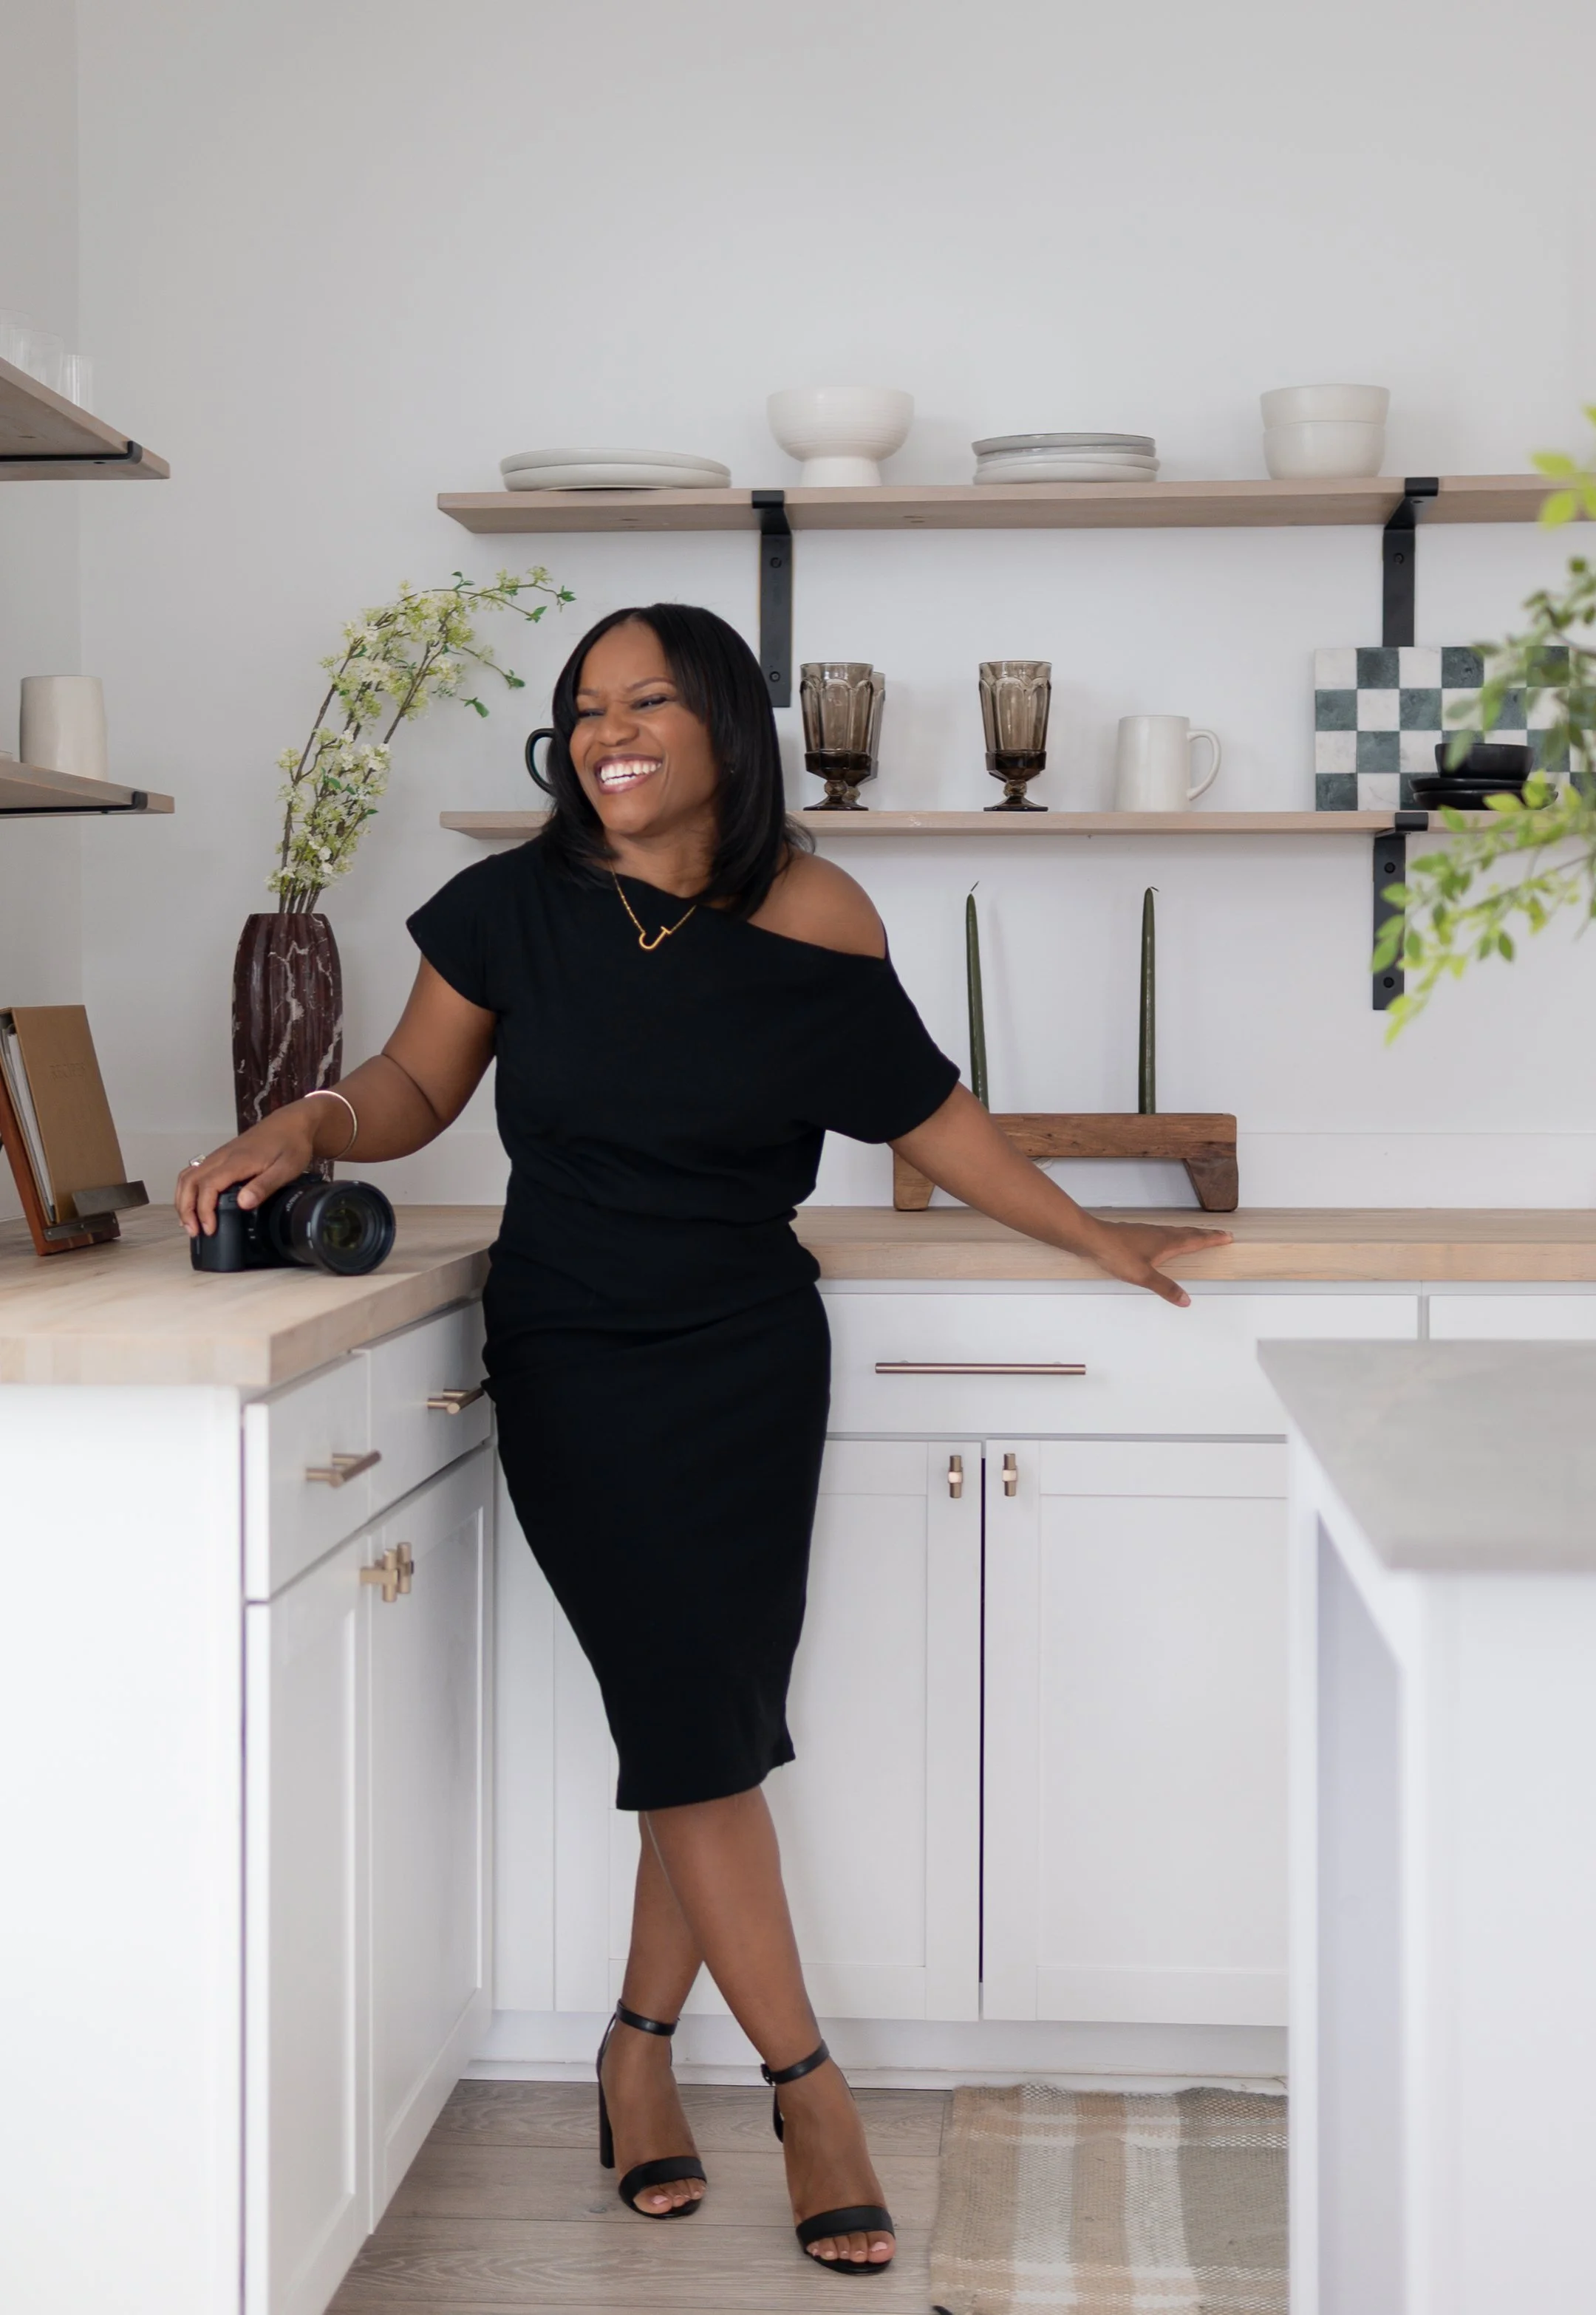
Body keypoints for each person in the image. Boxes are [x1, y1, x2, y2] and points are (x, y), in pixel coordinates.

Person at [178, 603, 1230, 2274]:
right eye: (587, 709)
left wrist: (1092, 1235)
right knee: (692, 1715)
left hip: (749, 1350)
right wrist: (306, 1118)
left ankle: (636, 2054)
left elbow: (929, 1114)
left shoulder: (815, 912)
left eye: (649, 701)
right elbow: (409, 1085)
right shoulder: (507, 907)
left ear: (728, 727)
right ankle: (812, 2088)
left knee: (713, 1723)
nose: (612, 732)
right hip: (578, 1347)